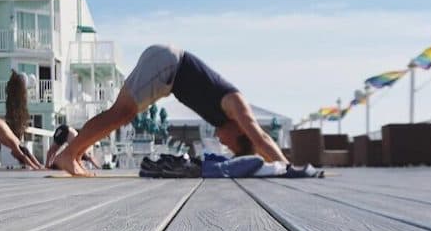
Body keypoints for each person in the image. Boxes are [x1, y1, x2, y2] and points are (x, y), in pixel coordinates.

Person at [52, 45, 289, 176]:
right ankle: (69, 155)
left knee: (119, 114)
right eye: (230, 143)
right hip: (168, 64)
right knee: (121, 113)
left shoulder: (225, 118)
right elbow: (260, 137)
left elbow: (256, 146)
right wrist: (284, 168)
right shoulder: (236, 105)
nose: (221, 140)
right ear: (240, 132)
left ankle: (72, 155)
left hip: (166, 69)